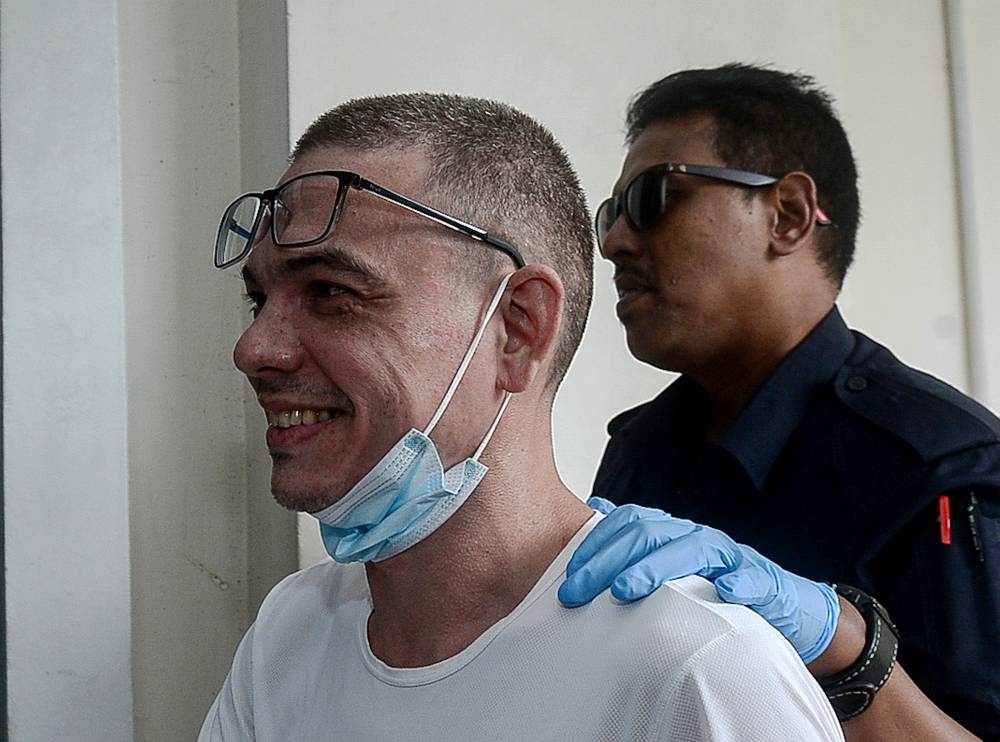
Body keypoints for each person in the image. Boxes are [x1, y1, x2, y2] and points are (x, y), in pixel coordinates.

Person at [199, 92, 844, 741]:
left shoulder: (694, 670)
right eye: (258, 300)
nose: (255, 350)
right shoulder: (290, 635)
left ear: (517, 330)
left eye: (332, 292)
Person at [558, 64, 999, 740]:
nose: (616, 242)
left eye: (652, 198)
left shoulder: (937, 469)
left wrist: (846, 654)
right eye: (612, 215)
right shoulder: (644, 452)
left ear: (788, 214)